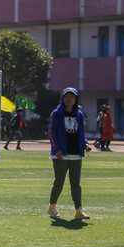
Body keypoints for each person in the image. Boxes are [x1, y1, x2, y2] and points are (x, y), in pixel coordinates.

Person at [48, 87, 89, 221]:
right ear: (63, 98)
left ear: (76, 99)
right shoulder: (56, 113)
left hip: (76, 153)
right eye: (67, 96)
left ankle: (78, 211)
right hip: (61, 154)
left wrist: (85, 144)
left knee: (76, 183)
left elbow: (81, 133)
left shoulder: (79, 114)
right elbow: (52, 133)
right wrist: (57, 149)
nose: (69, 99)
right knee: (59, 181)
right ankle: (52, 207)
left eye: (72, 96)